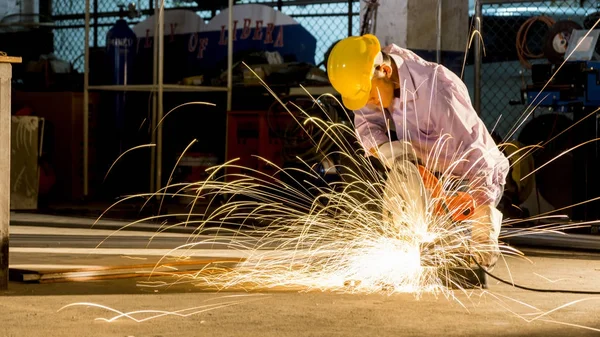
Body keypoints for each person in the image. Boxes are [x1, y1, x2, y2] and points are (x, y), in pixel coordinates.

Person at [326, 34, 510, 269]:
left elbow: (479, 157)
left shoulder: (438, 89)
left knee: (455, 257)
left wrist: (483, 217)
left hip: (471, 182)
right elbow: (366, 125)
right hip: (433, 173)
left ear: (385, 70)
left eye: (370, 95)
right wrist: (389, 152)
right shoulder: (374, 79)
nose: (369, 103)